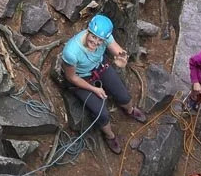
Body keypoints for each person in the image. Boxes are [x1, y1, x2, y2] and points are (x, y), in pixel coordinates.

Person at [60, 15, 147, 154]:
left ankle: (130, 110)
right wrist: (94, 89)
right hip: (81, 78)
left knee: (124, 96)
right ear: (88, 31)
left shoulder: (105, 37)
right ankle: (109, 136)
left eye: (100, 39)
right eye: (93, 37)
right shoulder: (71, 52)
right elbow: (71, 78)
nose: (95, 42)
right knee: (102, 114)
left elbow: (117, 50)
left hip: (98, 66)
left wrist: (122, 57)